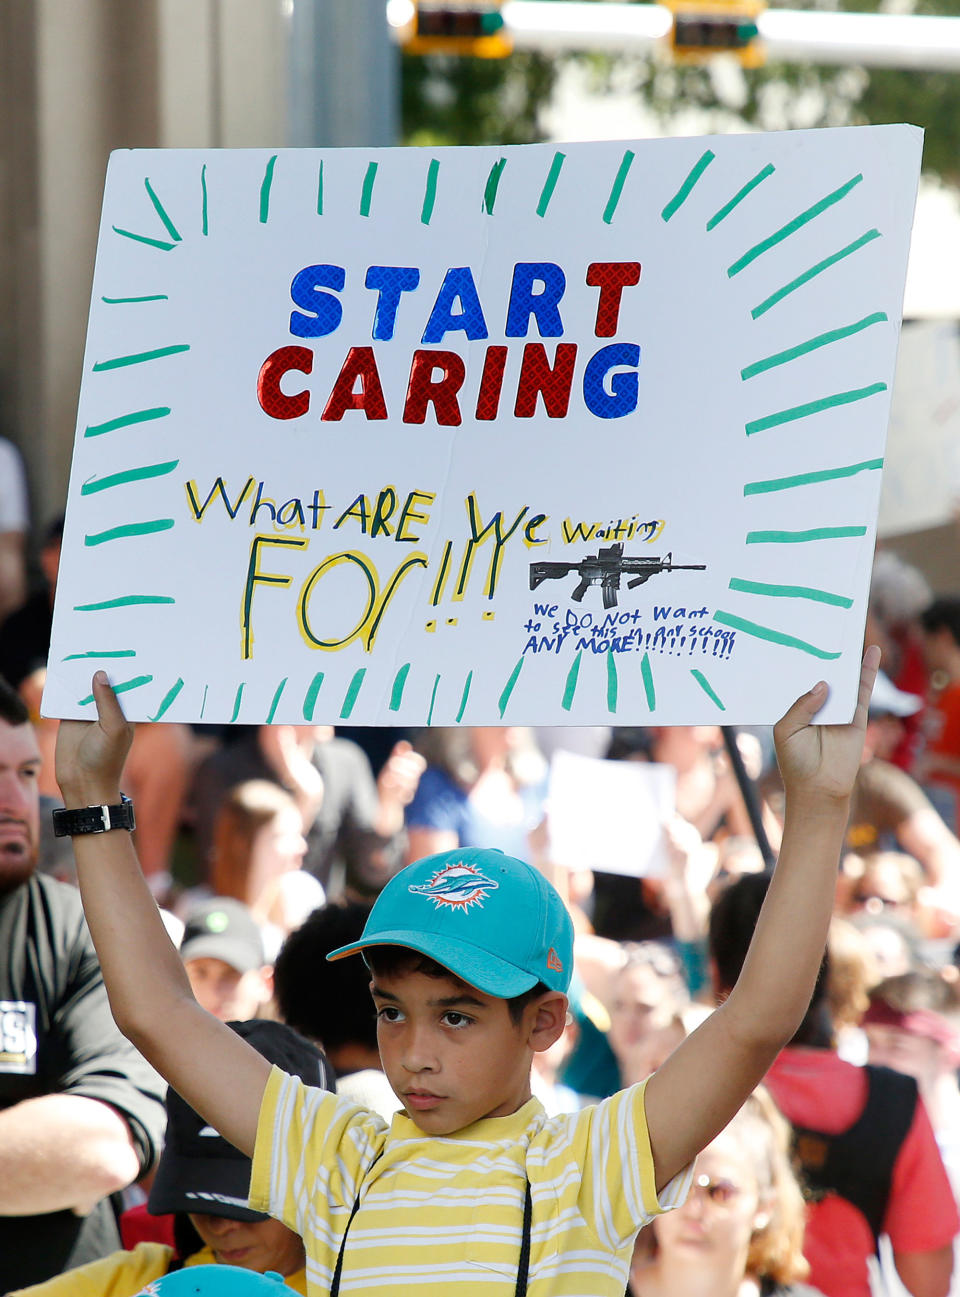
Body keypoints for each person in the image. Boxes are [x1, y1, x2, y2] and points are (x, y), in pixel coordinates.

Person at [54, 650, 879, 1296]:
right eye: (390, 1010)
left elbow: (756, 1017)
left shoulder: (592, 1163)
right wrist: (91, 799)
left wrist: (820, 807)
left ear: (546, 1022)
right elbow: (160, 1011)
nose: (412, 1050)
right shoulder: (333, 1153)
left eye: (456, 1015)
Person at [709, 870, 959, 1297]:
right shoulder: (891, 1099)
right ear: (828, 976)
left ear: (716, 973)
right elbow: (929, 1280)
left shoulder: (689, 1090)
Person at [0, 676, 166, 1290]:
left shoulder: (81, 929)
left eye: (24, 772)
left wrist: (62, 1158)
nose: (15, 798)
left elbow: (104, 1144)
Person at [9, 1019, 335, 1296]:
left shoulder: (365, 1283)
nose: (220, 1226)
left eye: (249, 1201)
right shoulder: (144, 1276)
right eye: (201, 1198)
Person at [629, 1088, 823, 1297]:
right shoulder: (599, 1290)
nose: (694, 1209)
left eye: (720, 1192)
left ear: (765, 1207)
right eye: (676, 1187)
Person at [206, 781, 324, 960]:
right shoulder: (203, 912)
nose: (302, 847)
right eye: (285, 836)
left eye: (299, 835)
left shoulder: (305, 896)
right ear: (242, 843)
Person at [179, 897, 274, 1023]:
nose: (214, 991)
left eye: (231, 973)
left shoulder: (287, 1042)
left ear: (265, 982)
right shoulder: (154, 1041)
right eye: (199, 973)